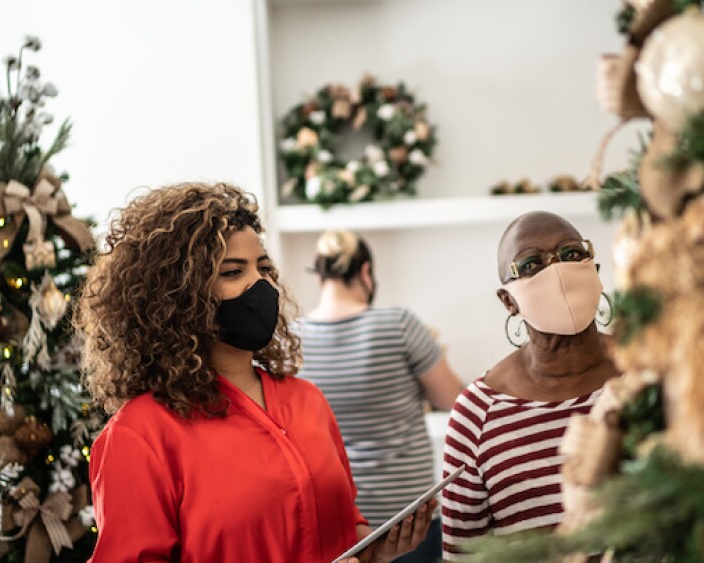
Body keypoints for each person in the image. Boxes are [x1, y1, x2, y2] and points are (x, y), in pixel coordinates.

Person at [76, 183, 435, 563]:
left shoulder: (307, 400)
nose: (260, 284)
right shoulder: (140, 435)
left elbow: (344, 528)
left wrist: (377, 551)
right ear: (177, 298)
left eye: (264, 268)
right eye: (233, 272)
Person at [440, 211, 620, 560]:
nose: (556, 271)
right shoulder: (476, 415)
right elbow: (463, 556)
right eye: (530, 264)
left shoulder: (650, 371)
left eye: (571, 254)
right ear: (508, 301)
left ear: (595, 271)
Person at [298, 229, 465, 563]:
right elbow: (454, 400)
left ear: (320, 276)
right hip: (410, 521)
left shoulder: (291, 338)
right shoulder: (399, 325)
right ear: (365, 273)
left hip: (340, 525)